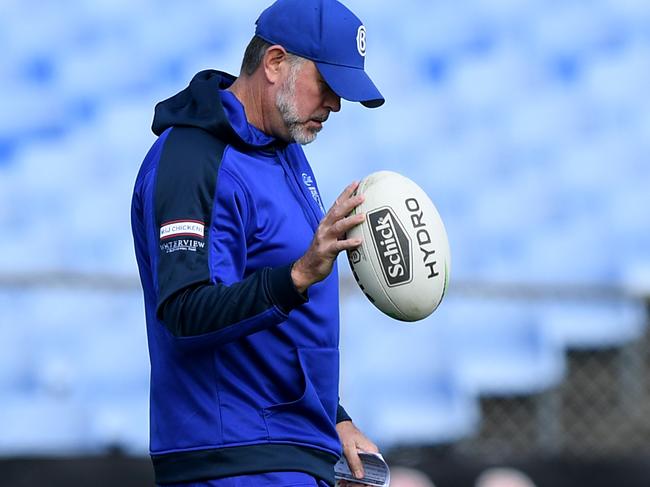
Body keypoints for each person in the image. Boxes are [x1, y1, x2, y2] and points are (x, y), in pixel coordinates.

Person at [130, 0, 385, 486]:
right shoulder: (192, 158)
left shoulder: (284, 149)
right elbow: (185, 312)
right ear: (274, 63)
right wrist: (296, 276)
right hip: (233, 456)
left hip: (287, 450)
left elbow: (277, 333)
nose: (335, 104)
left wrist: (334, 417)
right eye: (328, 85)